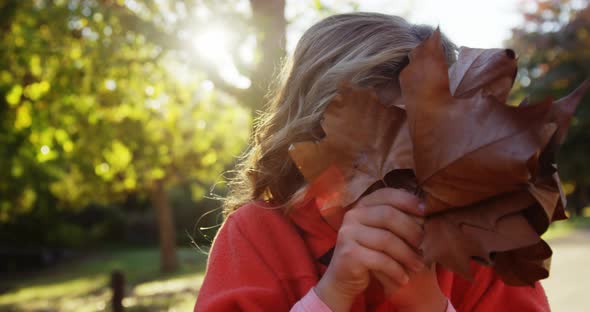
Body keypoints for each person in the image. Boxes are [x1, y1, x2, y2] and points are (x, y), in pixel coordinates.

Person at [194, 13, 551, 312]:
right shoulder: (257, 236)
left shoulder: (485, 245)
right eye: (382, 149)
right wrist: (330, 295)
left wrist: (431, 307)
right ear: (305, 140)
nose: (414, 175)